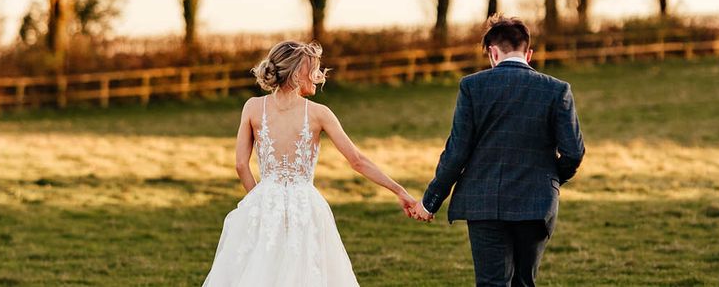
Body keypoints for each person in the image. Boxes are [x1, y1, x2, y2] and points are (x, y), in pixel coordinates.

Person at [201, 40, 415, 286]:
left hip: (264, 202)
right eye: (313, 70)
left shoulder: (252, 107)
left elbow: (241, 164)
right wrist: (398, 190)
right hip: (305, 207)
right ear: (296, 73)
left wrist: (261, 201)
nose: (318, 76)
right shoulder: (319, 113)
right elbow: (357, 161)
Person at [410, 15, 585, 287]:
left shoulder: (472, 87)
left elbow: (456, 152)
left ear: (492, 52)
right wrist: (548, 179)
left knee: (491, 284)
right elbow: (574, 152)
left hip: (484, 204)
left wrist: (430, 201)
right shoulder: (557, 90)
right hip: (536, 204)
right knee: (524, 282)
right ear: (528, 53)